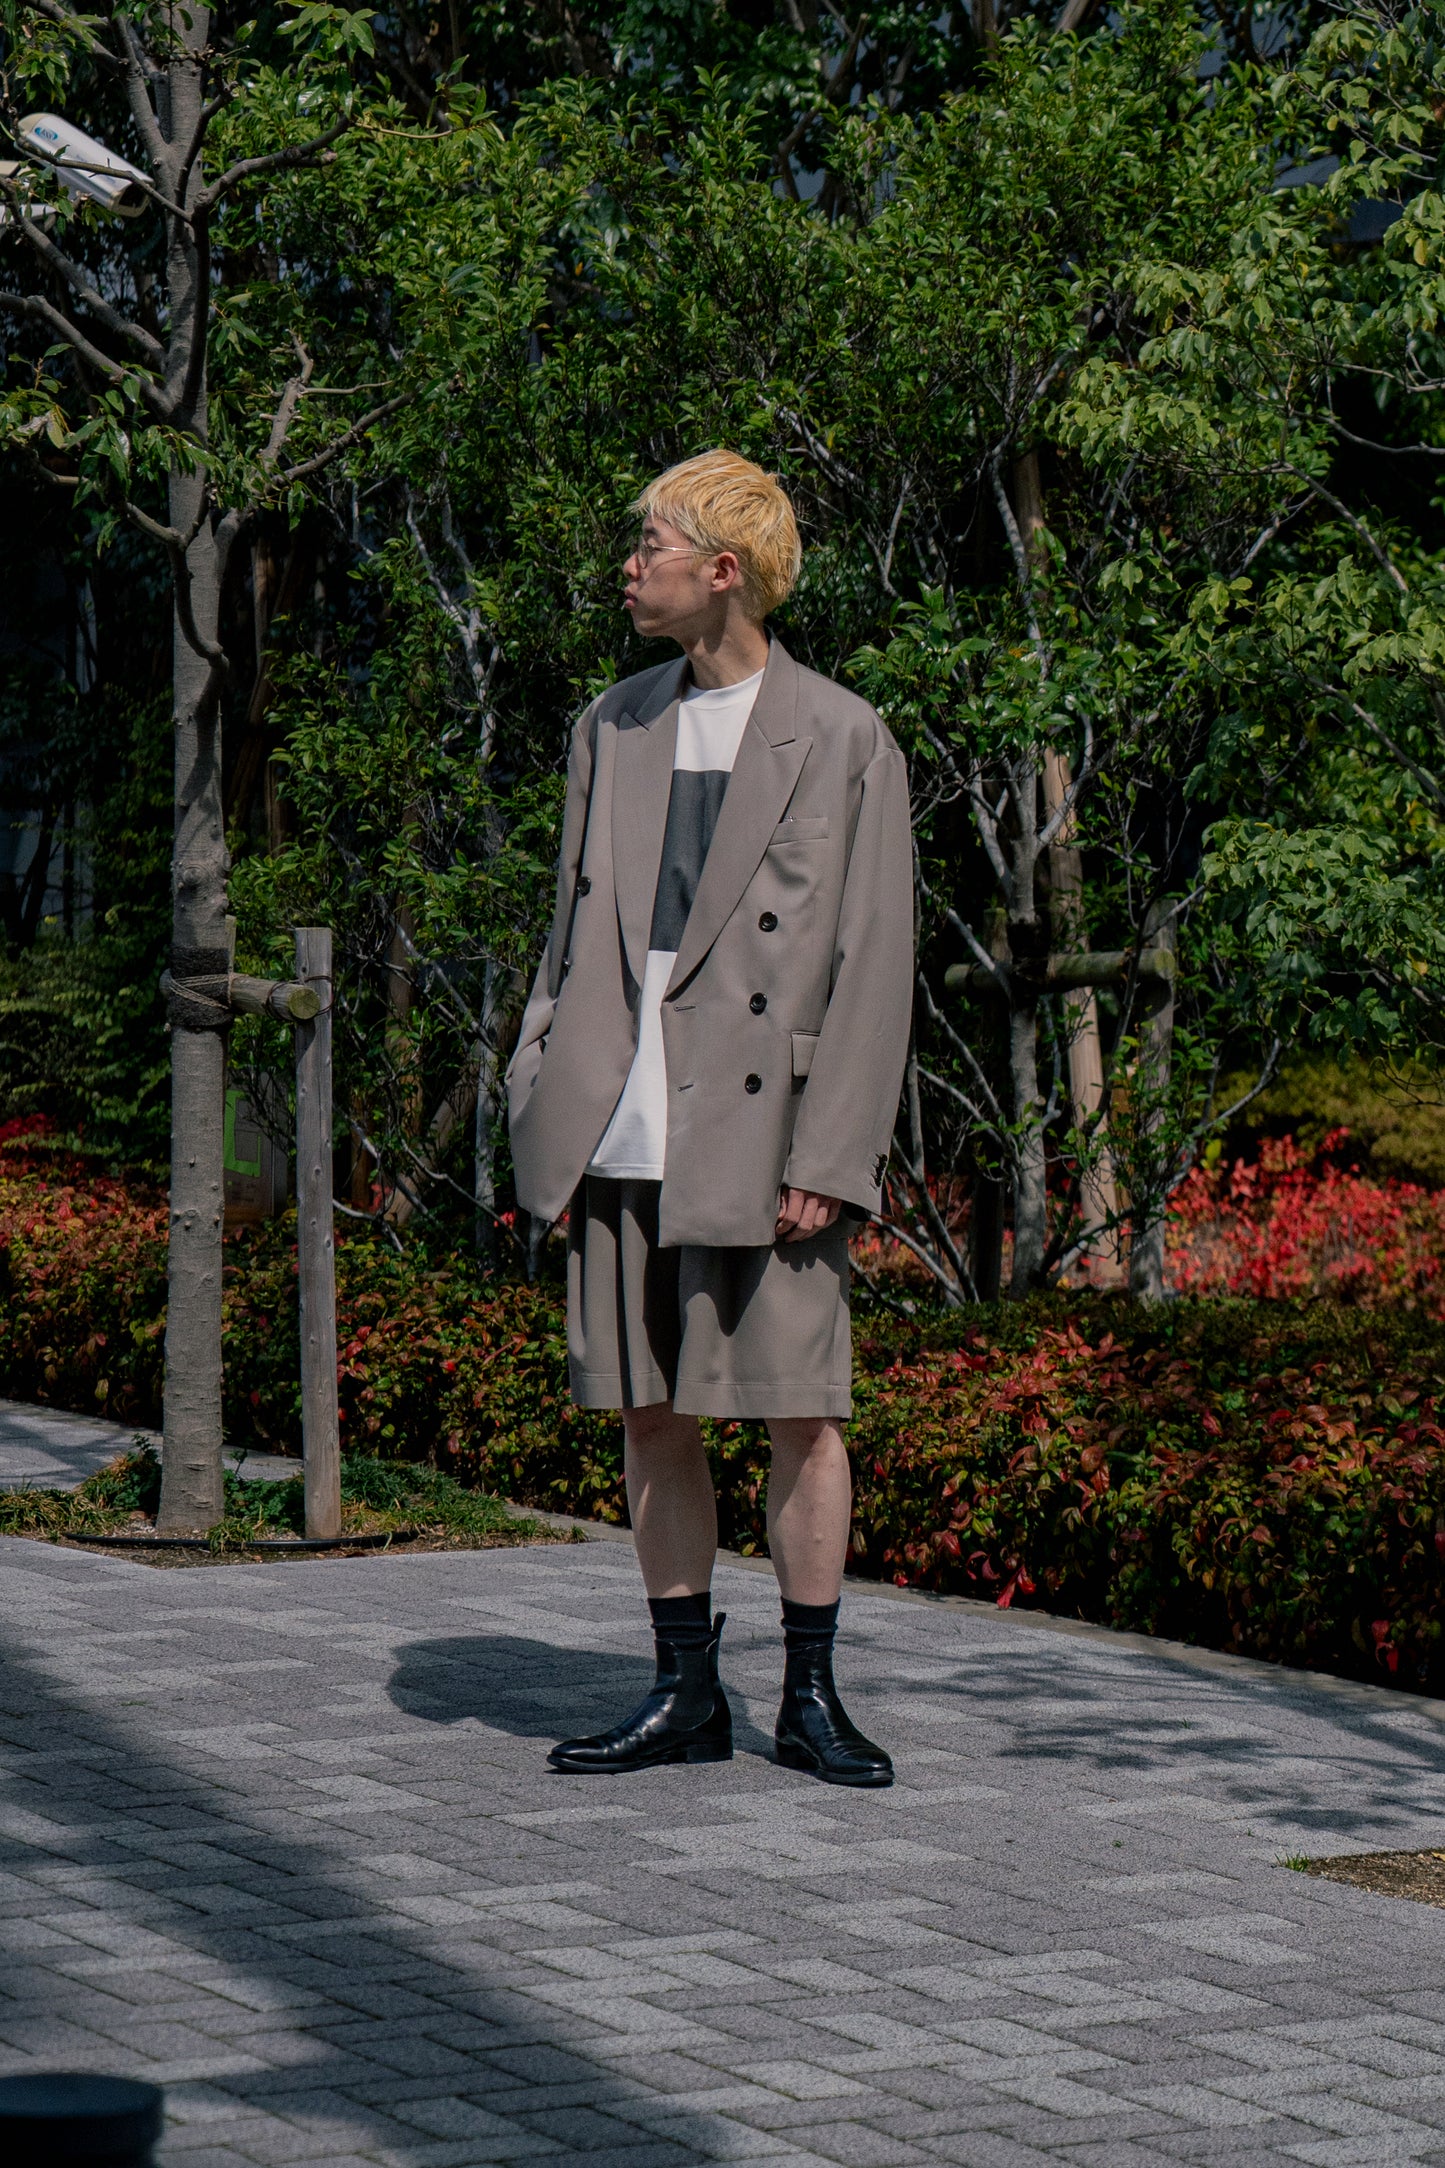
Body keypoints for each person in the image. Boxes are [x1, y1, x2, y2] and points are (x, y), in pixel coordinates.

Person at [506, 450, 913, 1787]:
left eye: (652, 546)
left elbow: (873, 963)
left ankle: (810, 1698)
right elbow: (568, 936)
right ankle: (684, 1693)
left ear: (722, 570)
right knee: (646, 1410)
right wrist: (537, 1083)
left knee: (801, 1414)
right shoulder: (611, 725)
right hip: (618, 1114)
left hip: (765, 1130)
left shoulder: (842, 735)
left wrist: (833, 1155)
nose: (630, 566)